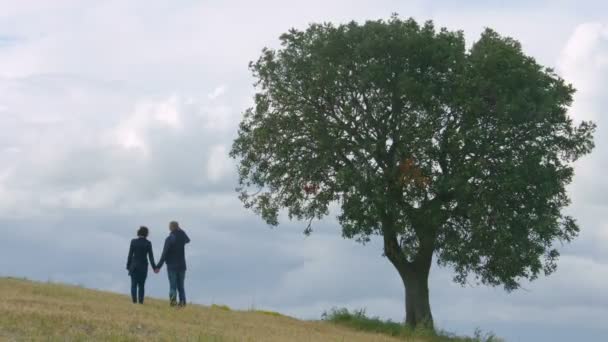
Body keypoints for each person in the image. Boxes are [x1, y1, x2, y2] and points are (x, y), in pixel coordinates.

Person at [155, 221, 190, 307]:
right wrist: (181, 230)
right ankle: (182, 303)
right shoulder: (182, 237)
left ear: (170, 228)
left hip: (172, 266)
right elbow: (188, 240)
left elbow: (164, 253)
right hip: (182, 266)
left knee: (173, 286)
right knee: (181, 286)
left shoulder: (169, 238)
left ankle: (173, 303)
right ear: (178, 227)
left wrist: (158, 266)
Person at [126, 226, 156, 304]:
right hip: (143, 267)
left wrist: (128, 265)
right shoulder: (148, 243)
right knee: (141, 286)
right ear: (146, 234)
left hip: (134, 266)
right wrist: (154, 267)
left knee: (133, 285)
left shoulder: (133, 241)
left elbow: (130, 255)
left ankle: (134, 302)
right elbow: (151, 257)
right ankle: (141, 302)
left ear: (138, 232)